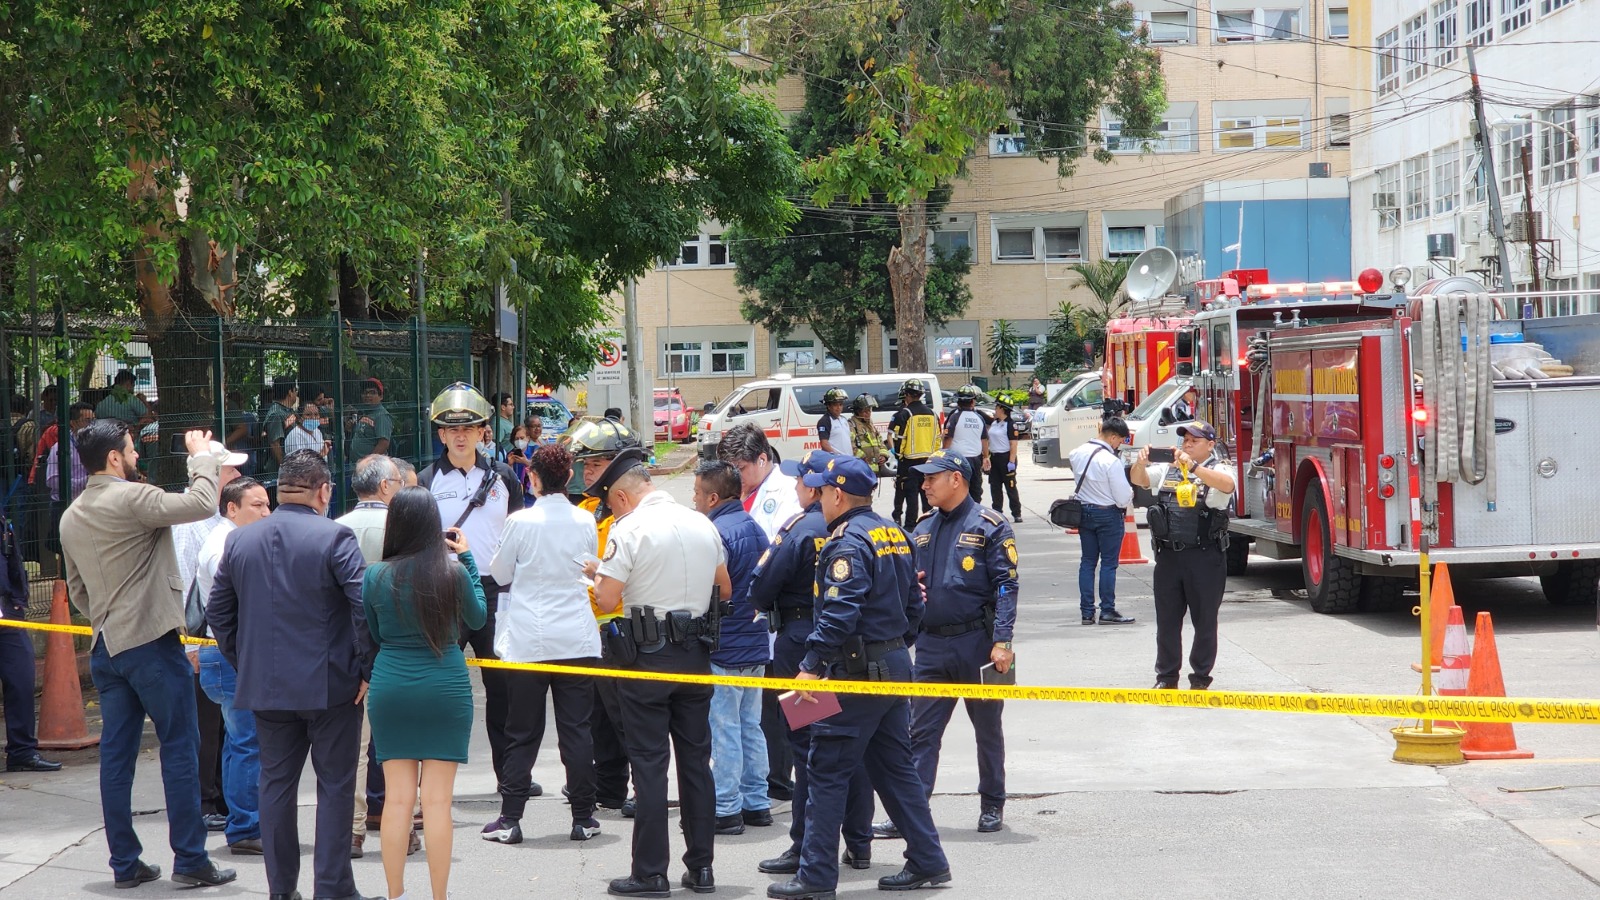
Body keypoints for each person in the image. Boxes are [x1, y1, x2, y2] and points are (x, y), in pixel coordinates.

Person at [58, 420, 236, 890]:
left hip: (106, 647)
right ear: (114, 458)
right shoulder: (134, 498)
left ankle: (124, 863)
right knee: (180, 747)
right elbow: (201, 503)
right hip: (152, 644)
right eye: (132, 450)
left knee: (117, 758)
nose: (136, 456)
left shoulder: (71, 516)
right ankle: (191, 859)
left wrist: (109, 616)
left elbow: (78, 591)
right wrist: (201, 457)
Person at [771, 455, 950, 900]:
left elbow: (837, 615)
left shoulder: (846, 543)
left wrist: (810, 667)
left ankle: (814, 877)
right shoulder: (896, 533)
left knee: (826, 771)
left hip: (855, 672)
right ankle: (928, 859)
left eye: (820, 489)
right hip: (891, 667)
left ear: (835, 494)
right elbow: (915, 609)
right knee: (895, 769)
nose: (817, 497)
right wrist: (891, 647)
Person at [206, 450, 376, 900]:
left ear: (281, 490)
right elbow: (363, 605)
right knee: (336, 787)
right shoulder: (336, 538)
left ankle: (282, 891)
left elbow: (217, 612)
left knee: (276, 786)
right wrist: (367, 669)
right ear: (323, 491)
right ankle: (333, 889)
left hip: (268, 685)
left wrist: (245, 660)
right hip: (332, 685)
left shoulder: (240, 541)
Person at [592, 461, 730, 898]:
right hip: (695, 657)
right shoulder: (702, 524)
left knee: (649, 766)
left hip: (646, 661)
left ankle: (651, 873)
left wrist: (595, 578)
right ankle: (701, 868)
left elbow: (609, 597)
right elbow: (723, 588)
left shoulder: (628, 529)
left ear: (621, 497)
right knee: (695, 764)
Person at [747, 450, 872, 878]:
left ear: (816, 488)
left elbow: (760, 588)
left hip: (802, 648)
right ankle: (858, 843)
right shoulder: (863, 527)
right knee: (848, 749)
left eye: (800, 481)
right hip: (848, 649)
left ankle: (803, 847)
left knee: (807, 750)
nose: (796, 489)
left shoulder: (801, 529)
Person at [363, 487, 488, 900]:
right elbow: (478, 616)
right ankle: (440, 896)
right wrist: (466, 558)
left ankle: (395, 893)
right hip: (445, 687)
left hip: (392, 685)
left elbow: (376, 634)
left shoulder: (375, 576)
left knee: (397, 801)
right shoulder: (450, 573)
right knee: (436, 803)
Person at [483, 442, 604, 846]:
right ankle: (584, 816)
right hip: (577, 637)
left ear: (532, 478)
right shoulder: (584, 520)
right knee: (577, 731)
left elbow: (500, 573)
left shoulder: (520, 522)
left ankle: (510, 818)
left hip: (529, 639)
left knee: (522, 730)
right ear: (568, 476)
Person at [417, 383, 524, 798]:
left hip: (496, 593)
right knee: (437, 687)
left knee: (504, 691)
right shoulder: (425, 481)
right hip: (444, 590)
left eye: (470, 427)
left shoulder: (504, 479)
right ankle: (430, 782)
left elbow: (516, 533)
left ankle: (510, 775)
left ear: (483, 431)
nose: (460, 435)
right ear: (440, 434)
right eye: (450, 429)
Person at [902, 451, 1018, 834]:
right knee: (921, 732)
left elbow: (1006, 585)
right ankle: (913, 811)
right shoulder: (922, 528)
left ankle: (992, 804)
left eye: (931, 478)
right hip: (932, 645)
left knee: (987, 728)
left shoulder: (990, 525)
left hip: (978, 644)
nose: (924, 485)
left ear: (956, 479)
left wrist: (1002, 639)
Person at [716, 423, 801, 802]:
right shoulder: (741, 496)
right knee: (757, 714)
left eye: (741, 468)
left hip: (783, 621)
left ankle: (783, 780)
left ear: (762, 459)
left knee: (789, 706)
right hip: (746, 629)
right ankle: (765, 783)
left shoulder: (786, 496)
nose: (737, 477)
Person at [170, 443, 248, 837]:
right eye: (229, 471)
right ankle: (203, 802)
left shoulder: (213, 517)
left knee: (221, 724)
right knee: (204, 723)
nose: (235, 476)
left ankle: (217, 799)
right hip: (201, 638)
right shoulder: (190, 521)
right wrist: (190, 645)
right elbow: (184, 585)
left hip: (213, 638)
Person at [691, 459, 772, 837]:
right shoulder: (755, 527)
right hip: (755, 643)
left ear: (712, 496)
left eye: (695, 494)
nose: (692, 501)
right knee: (750, 726)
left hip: (724, 647)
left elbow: (711, 591)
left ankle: (726, 807)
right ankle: (757, 802)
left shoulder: (715, 533)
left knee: (723, 729)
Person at [571, 421, 647, 818]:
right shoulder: (586, 509)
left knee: (626, 715)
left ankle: (641, 784)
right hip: (590, 627)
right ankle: (609, 787)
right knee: (598, 715)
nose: (587, 473)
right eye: (585, 465)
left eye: (595, 464)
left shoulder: (632, 512)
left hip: (622, 624)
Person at [194, 476, 272, 855]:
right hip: (230, 654)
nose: (266, 512)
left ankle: (241, 819)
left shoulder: (232, 539)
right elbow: (236, 604)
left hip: (228, 652)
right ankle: (245, 827)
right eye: (257, 505)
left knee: (239, 739)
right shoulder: (225, 544)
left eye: (267, 504)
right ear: (231, 508)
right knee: (246, 740)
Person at [333, 454, 406, 858]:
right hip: (397, 648)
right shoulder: (400, 528)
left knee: (355, 750)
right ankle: (407, 825)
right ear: (383, 487)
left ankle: (353, 831)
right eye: (397, 481)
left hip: (349, 651)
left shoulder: (336, 528)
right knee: (399, 745)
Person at [1129, 420, 1237, 690]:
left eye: (1194, 441)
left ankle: (1200, 678)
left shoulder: (1217, 468)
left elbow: (1227, 486)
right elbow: (1139, 480)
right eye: (1185, 440)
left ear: (1210, 445)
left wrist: (1195, 468)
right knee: (1166, 621)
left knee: (1204, 622)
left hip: (1204, 557)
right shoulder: (1169, 469)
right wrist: (1140, 463)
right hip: (1168, 557)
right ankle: (1166, 677)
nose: (1187, 445)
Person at [0, 496, 61, 773]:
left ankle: (22, 752)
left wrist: (17, 598)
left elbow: (11, 552)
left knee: (22, 679)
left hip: (7, 611)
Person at [1068, 418, 1138, 626]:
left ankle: (1087, 612)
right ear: (1113, 437)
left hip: (1084, 511)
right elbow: (1123, 497)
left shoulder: (1077, 453)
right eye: (1119, 441)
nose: (1119, 445)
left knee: (1087, 562)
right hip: (1107, 514)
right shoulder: (1110, 461)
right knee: (1108, 563)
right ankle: (1107, 610)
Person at [888, 380, 939, 530]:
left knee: (911, 499)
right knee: (928, 495)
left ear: (908, 395)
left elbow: (899, 438)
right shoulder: (932, 414)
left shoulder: (905, 413)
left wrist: (898, 455)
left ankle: (911, 529)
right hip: (928, 461)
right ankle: (929, 526)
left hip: (909, 463)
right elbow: (937, 439)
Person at [942, 385, 990, 503]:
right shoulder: (979, 418)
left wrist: (944, 455)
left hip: (958, 460)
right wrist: (986, 457)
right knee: (975, 490)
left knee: (957, 489)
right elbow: (984, 439)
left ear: (958, 402)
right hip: (975, 459)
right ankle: (974, 513)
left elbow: (948, 438)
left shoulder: (954, 417)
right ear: (972, 402)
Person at [986, 399, 1022, 523]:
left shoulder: (1011, 424)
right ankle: (997, 512)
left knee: (1010, 487)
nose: (995, 409)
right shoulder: (994, 423)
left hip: (1006, 458)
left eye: (996, 407)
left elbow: (1013, 445)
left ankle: (1016, 513)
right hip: (994, 458)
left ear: (1002, 409)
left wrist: (1011, 462)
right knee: (995, 487)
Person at [349, 378, 394, 459]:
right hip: (357, 466)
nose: (368, 395)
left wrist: (369, 462)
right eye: (365, 393)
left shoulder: (381, 415)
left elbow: (383, 443)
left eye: (372, 393)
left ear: (380, 396)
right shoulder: (364, 413)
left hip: (372, 467)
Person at [847, 394, 890, 474]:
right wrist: (863, 458)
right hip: (860, 471)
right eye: (865, 411)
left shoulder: (870, 425)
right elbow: (850, 446)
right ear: (858, 412)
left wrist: (883, 455)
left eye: (869, 410)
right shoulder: (851, 425)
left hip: (874, 472)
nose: (868, 413)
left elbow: (880, 442)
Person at [261, 381, 298, 471]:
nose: (296, 394)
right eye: (295, 390)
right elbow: (275, 443)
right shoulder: (276, 413)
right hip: (278, 470)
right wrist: (285, 468)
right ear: (290, 392)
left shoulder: (288, 411)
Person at [815, 388, 852, 456]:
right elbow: (824, 444)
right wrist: (836, 457)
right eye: (835, 405)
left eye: (840, 404)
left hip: (848, 460)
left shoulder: (843, 419)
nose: (839, 408)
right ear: (829, 406)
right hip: (837, 461)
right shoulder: (825, 421)